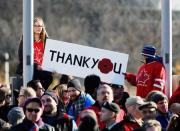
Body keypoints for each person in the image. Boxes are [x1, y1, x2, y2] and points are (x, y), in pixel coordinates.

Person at [16, 17, 53, 90]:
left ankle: (41, 93)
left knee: (50, 77)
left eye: (40, 26)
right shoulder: (26, 39)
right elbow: (21, 57)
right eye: (35, 26)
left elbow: (50, 57)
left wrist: (52, 67)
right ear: (32, 27)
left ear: (42, 27)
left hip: (42, 69)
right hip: (30, 68)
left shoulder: (46, 41)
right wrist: (36, 65)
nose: (38, 28)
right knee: (35, 77)